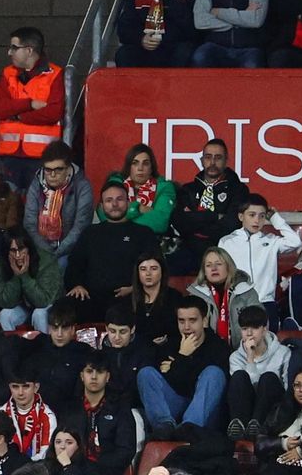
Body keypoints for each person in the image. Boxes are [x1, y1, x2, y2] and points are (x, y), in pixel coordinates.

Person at [63, 180, 157, 325]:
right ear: (101, 205)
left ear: (128, 202)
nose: (114, 204)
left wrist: (136, 288)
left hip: (131, 297)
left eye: (119, 199)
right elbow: (75, 265)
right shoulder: (90, 233)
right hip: (92, 298)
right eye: (109, 200)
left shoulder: (143, 233)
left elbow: (157, 267)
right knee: (63, 308)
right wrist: (77, 285)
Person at [139, 298, 230, 438]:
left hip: (207, 413)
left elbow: (212, 387)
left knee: (213, 373)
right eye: (181, 321)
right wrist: (183, 355)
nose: (186, 327)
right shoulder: (171, 346)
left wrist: (177, 364)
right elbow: (171, 383)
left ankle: (189, 427)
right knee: (146, 373)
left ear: (204, 321)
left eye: (192, 320)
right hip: (176, 406)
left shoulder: (219, 347)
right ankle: (164, 427)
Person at [0, 27, 63, 187]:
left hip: (43, 156)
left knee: (37, 206)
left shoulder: (55, 74)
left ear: (29, 50)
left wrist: (18, 116)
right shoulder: (8, 73)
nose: (10, 52)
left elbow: (53, 113)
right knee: (7, 205)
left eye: (14, 48)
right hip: (9, 155)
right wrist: (29, 104)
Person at [171, 137, 247, 273]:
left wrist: (196, 221)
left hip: (224, 250)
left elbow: (232, 224)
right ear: (201, 160)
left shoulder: (239, 189)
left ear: (226, 161)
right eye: (208, 157)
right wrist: (214, 216)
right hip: (189, 250)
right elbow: (180, 222)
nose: (212, 162)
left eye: (218, 158)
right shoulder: (188, 189)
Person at [23, 142, 95, 266]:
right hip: (40, 248)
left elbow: (80, 227)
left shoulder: (82, 186)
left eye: (58, 169)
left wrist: (56, 254)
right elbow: (30, 224)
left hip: (70, 249)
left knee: (61, 265)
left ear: (68, 168)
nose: (52, 175)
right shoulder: (36, 183)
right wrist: (46, 252)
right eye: (48, 170)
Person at [227, 304, 292, 440]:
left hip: (271, 410)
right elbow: (243, 389)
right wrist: (250, 359)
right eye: (244, 329)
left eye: (255, 328)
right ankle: (240, 426)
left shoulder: (282, 352)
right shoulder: (236, 357)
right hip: (246, 409)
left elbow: (287, 389)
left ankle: (257, 426)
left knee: (268, 378)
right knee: (239, 376)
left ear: (265, 329)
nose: (249, 333)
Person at [115, 0, 199, 67]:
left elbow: (193, 29)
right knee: (124, 54)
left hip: (175, 45)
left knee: (185, 52)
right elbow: (124, 27)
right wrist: (141, 39)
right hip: (146, 45)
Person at [191, 0, 271, 68]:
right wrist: (240, 21)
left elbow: (256, 20)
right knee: (199, 58)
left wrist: (218, 12)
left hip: (249, 47)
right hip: (215, 45)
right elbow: (200, 21)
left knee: (252, 65)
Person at [188, 245, 261, 346]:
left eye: (218, 264)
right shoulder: (196, 295)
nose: (213, 268)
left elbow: (260, 324)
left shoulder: (246, 291)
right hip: (208, 353)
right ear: (204, 272)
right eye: (208, 265)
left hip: (244, 350)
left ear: (229, 267)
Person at [109, 144, 177, 236]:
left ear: (151, 168)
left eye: (145, 163)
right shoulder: (116, 184)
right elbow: (106, 215)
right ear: (129, 166)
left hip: (150, 242)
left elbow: (160, 222)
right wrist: (137, 208)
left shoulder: (164, 187)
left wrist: (123, 220)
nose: (140, 168)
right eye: (135, 163)